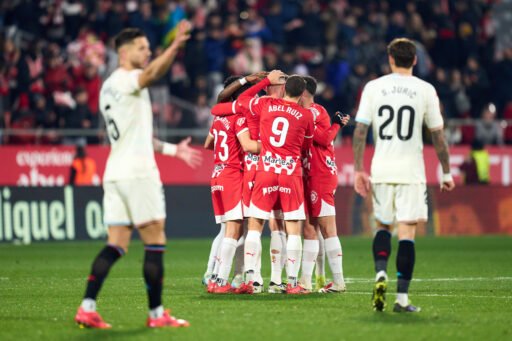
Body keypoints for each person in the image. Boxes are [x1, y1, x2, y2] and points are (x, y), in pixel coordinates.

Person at [75, 21, 202, 329]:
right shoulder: (128, 78)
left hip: (116, 172)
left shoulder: (110, 86)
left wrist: (174, 151)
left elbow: (138, 135)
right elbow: (150, 75)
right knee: (155, 240)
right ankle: (157, 315)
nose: (147, 53)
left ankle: (87, 307)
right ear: (125, 51)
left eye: (149, 49)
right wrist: (174, 47)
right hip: (138, 174)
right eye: (143, 48)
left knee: (116, 244)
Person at [352, 38, 455, 313]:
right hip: (411, 172)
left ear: (390, 59)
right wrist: (446, 172)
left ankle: (379, 274)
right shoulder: (425, 90)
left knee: (383, 226)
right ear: (415, 60)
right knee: (407, 234)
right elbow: (439, 137)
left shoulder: (373, 88)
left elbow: (360, 131)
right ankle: (402, 299)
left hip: (381, 169)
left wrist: (359, 169)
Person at [236, 73, 315, 295]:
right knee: (292, 229)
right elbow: (307, 145)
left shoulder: (267, 104)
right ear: (301, 94)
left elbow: (242, 100)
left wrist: (264, 82)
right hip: (290, 174)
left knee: (255, 225)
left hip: (266, 172)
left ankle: (250, 281)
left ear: (284, 90)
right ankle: (291, 283)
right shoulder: (306, 115)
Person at [203, 82, 260, 293]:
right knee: (234, 230)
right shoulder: (239, 117)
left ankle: (217, 276)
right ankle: (219, 280)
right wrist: (273, 147)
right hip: (232, 175)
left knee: (228, 230)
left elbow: (208, 144)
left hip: (217, 174)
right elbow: (246, 145)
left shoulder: (219, 118)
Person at [299, 76, 350, 293]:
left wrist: (337, 124)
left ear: (303, 93)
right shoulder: (305, 112)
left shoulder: (314, 111)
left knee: (328, 229)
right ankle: (305, 282)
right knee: (309, 230)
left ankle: (339, 282)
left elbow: (324, 138)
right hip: (310, 176)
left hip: (321, 176)